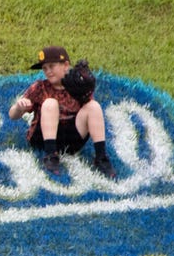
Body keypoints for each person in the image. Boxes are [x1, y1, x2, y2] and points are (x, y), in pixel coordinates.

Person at [7, 46, 117, 178]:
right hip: (42, 138)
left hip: (70, 139)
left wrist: (86, 95)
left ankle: (101, 157)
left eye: (51, 66)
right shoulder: (40, 87)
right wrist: (19, 107)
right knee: (50, 103)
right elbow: (12, 115)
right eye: (44, 68)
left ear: (65, 65)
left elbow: (90, 112)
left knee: (94, 106)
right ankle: (50, 155)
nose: (48, 71)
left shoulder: (77, 86)